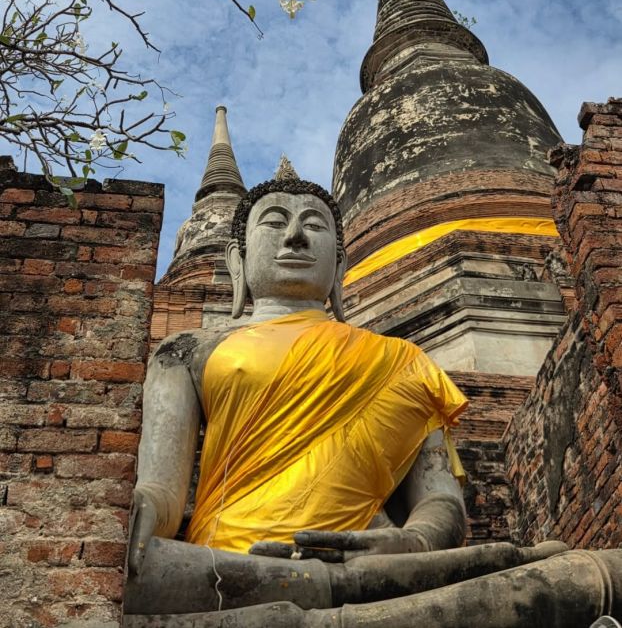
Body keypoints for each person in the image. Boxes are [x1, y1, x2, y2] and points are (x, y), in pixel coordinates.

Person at [123, 167, 621, 627]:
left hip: (379, 574)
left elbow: (440, 503)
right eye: (274, 222)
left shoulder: (400, 359)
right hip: (226, 568)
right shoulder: (186, 352)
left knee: (596, 573)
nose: (295, 236)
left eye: (314, 225)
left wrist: (408, 541)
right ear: (237, 259)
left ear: (341, 266)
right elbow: (162, 492)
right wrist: (134, 518)